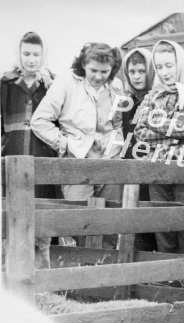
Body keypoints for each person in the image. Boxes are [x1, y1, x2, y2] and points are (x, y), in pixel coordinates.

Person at [30, 42, 125, 249]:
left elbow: (117, 123)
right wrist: (63, 143)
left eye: (104, 71)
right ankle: (85, 271)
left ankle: (105, 271)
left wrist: (115, 149)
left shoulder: (116, 86)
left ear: (113, 69)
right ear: (83, 65)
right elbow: (39, 121)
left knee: (109, 220)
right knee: (80, 220)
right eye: (93, 71)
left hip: (110, 162)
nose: (99, 76)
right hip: (76, 162)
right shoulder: (66, 83)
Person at [134, 40, 184, 255]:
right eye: (159, 67)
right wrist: (175, 126)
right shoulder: (154, 93)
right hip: (157, 169)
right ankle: (168, 280)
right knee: (163, 225)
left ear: (181, 63)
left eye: (169, 65)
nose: (165, 72)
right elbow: (140, 132)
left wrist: (155, 122)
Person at [1, 32, 57, 269]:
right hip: (12, 155)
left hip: (42, 158)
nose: (31, 59)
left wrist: (52, 86)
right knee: (11, 212)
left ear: (43, 55)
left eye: (36, 54)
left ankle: (42, 272)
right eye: (26, 54)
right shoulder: (5, 83)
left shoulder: (52, 84)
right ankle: (8, 270)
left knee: (42, 211)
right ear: (19, 54)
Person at [121, 48, 158, 251]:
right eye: (132, 71)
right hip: (134, 168)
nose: (136, 76)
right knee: (137, 224)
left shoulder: (158, 98)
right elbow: (127, 137)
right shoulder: (127, 102)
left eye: (141, 71)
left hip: (153, 166)